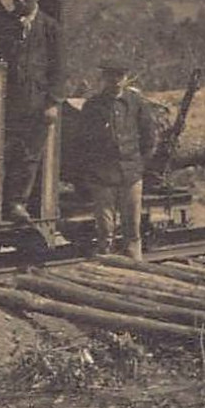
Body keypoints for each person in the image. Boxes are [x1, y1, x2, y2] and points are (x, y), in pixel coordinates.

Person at [0, 0, 64, 221]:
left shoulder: (51, 28)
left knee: (29, 157)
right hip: (7, 102)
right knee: (4, 153)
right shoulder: (4, 24)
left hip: (36, 102)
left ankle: (17, 203)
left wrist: (53, 102)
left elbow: (59, 69)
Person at [77, 60, 160, 260]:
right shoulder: (93, 105)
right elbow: (82, 140)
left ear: (126, 78)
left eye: (119, 76)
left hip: (130, 174)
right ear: (103, 78)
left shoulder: (137, 103)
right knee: (105, 229)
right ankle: (107, 265)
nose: (115, 81)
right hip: (102, 175)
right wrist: (91, 168)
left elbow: (149, 136)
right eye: (110, 76)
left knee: (132, 228)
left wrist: (140, 164)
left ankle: (135, 264)